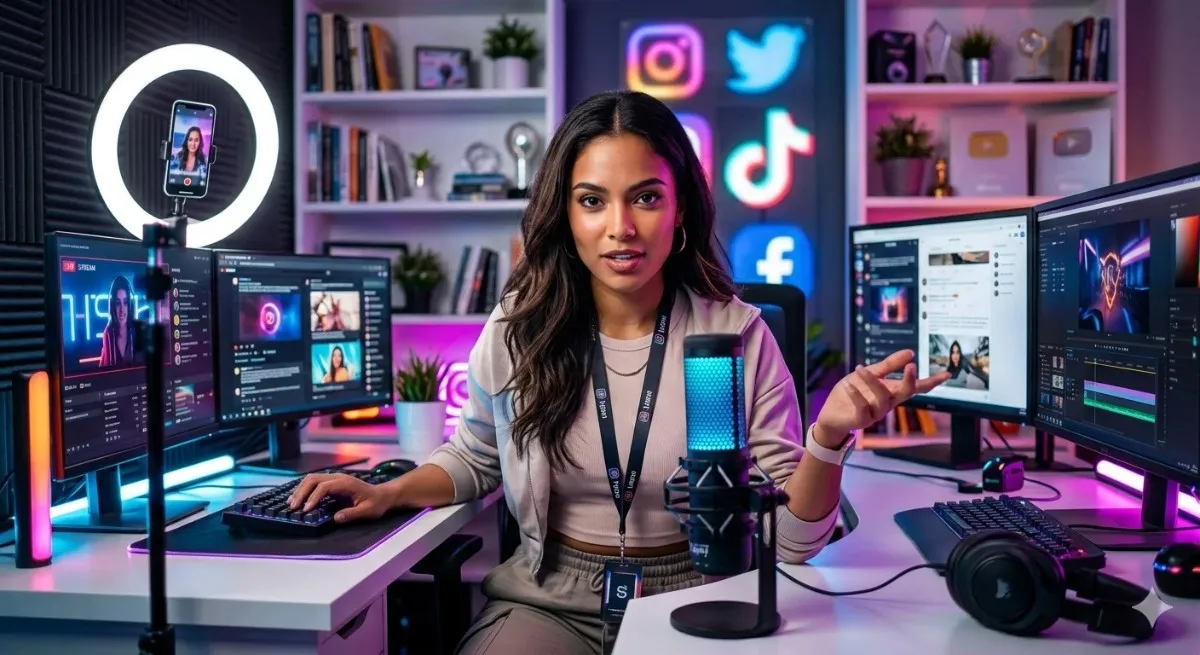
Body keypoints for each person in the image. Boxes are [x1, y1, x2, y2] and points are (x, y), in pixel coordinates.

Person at [288, 90, 949, 654]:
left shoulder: (736, 335)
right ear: (566, 213)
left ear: (681, 207)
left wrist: (827, 438)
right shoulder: (521, 327)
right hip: (549, 599)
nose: (621, 228)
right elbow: (476, 455)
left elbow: (796, 543)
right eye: (592, 200)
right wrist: (391, 490)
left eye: (646, 197)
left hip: (704, 590)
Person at [99, 275, 138, 368]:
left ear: (129, 305)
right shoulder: (108, 334)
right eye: (117, 303)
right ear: (113, 306)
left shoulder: (137, 332)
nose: (122, 310)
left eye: (125, 303)